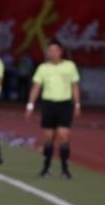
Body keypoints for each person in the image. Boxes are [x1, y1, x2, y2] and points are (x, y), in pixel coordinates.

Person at [25, 40, 81, 179]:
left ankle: (65, 169)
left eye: (55, 50)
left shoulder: (70, 66)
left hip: (64, 104)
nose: (53, 53)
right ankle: (46, 167)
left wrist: (77, 104)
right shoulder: (43, 68)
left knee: (64, 135)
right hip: (48, 104)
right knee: (48, 137)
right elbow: (36, 87)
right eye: (50, 50)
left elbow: (74, 86)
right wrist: (30, 105)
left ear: (61, 52)